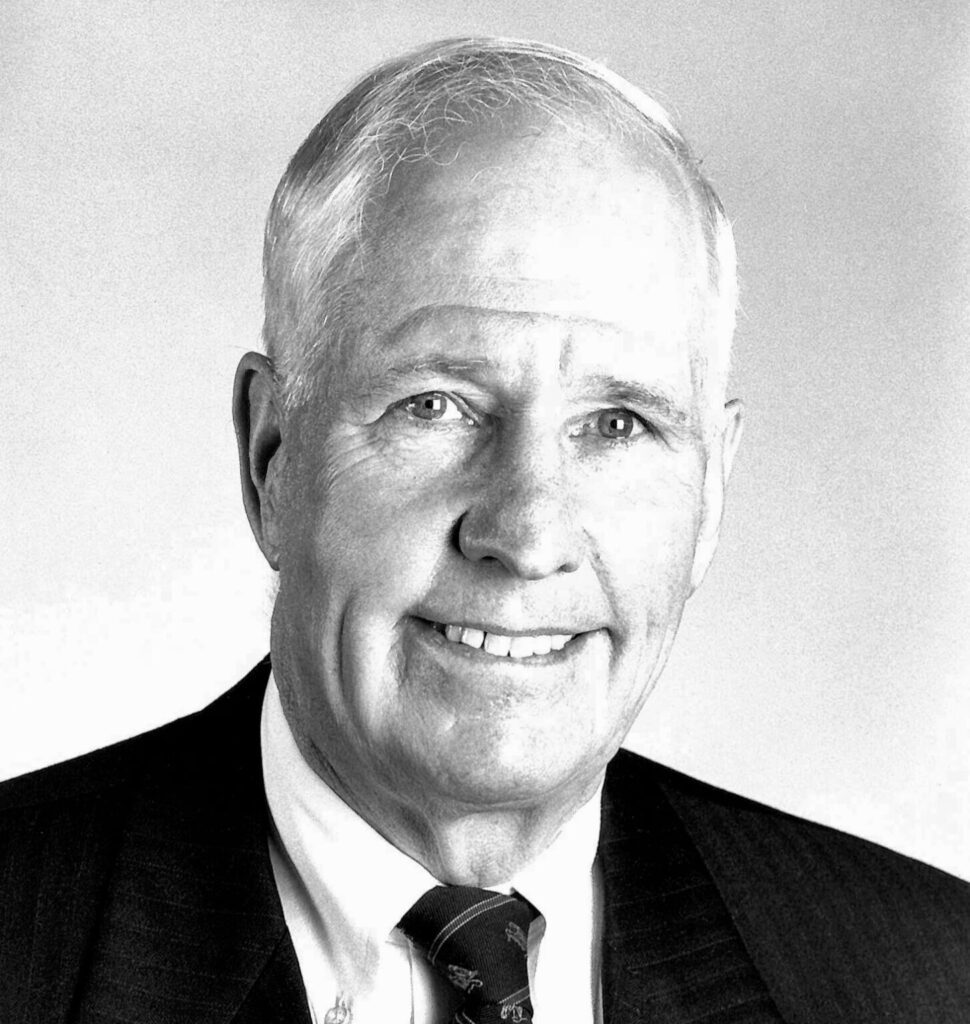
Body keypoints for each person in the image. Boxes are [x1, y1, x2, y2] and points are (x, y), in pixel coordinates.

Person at [1, 37, 968, 1024]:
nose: (526, 532)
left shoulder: (926, 975)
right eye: (436, 406)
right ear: (273, 457)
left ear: (711, 490)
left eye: (616, 423)